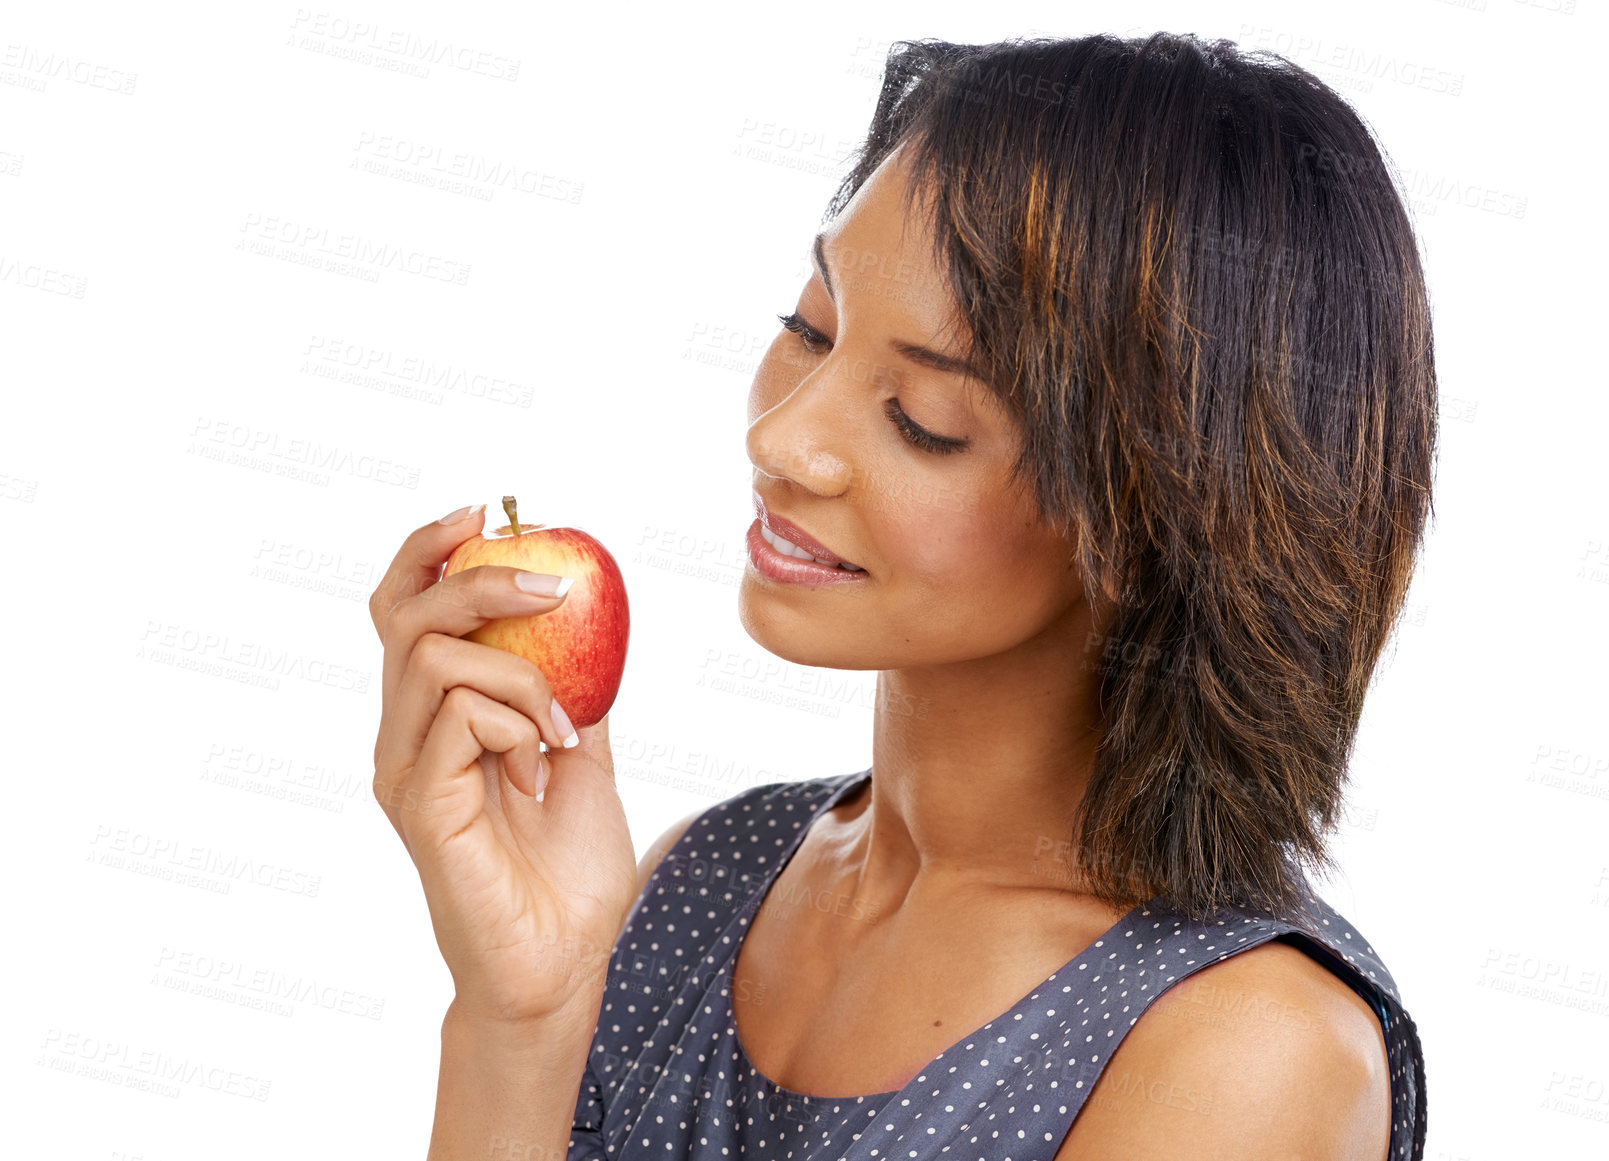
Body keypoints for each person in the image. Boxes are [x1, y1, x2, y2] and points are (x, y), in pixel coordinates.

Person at [368, 30, 1433, 1161]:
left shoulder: (1245, 1049)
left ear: (1153, 513)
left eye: (925, 418)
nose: (782, 439)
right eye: (807, 328)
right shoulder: (695, 880)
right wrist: (520, 1018)